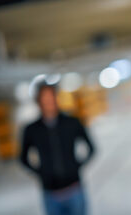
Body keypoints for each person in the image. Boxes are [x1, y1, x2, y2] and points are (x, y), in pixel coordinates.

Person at [20, 83, 95, 215]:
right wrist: (41, 172)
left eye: (51, 97)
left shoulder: (72, 122)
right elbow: (23, 158)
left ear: (56, 98)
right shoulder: (32, 129)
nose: (49, 101)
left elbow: (91, 148)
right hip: (50, 194)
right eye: (44, 98)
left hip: (74, 190)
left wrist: (76, 166)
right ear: (39, 101)